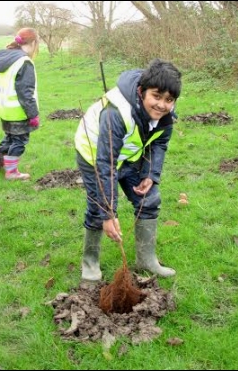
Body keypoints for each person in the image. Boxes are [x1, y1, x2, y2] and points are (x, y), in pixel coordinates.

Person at [75, 58, 182, 281]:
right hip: (95, 156)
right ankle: (90, 264)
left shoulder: (165, 115)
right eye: (156, 96)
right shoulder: (117, 113)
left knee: (149, 199)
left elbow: (159, 143)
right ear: (142, 92)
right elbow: (106, 164)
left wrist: (150, 174)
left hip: (128, 156)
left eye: (169, 100)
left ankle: (147, 260)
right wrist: (109, 213)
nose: (162, 105)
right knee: (97, 210)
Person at [0, 27, 40, 180]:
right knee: (19, 140)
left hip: (5, 109)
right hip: (19, 111)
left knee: (10, 137)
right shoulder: (24, 62)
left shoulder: (6, 59)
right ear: (32, 43)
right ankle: (11, 172)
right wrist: (33, 114)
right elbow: (25, 92)